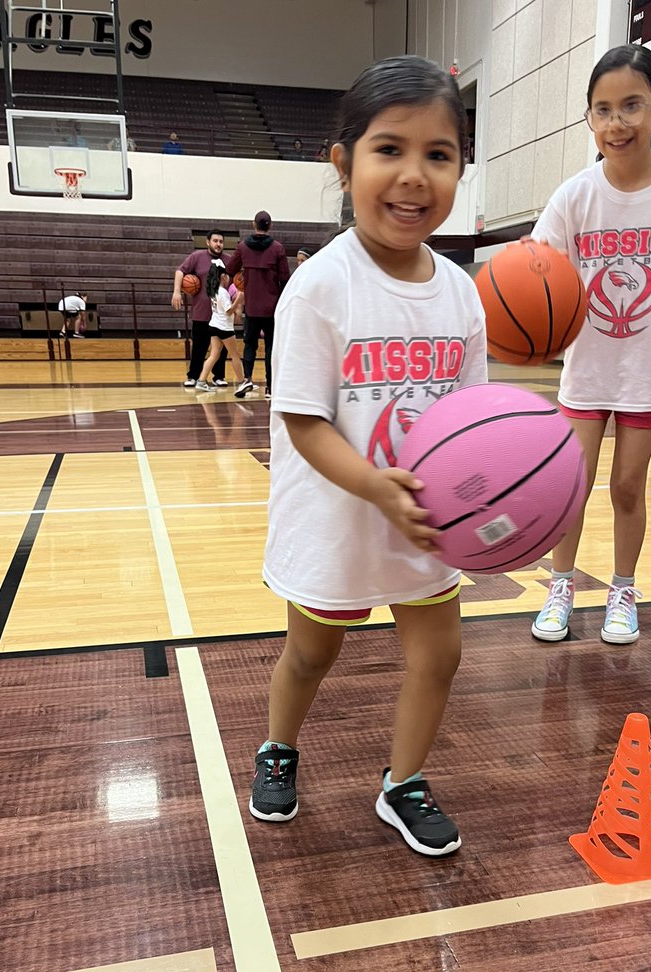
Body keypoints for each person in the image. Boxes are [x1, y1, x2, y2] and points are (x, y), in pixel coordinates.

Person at [248, 56, 487, 857]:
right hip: (338, 516)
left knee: (441, 654)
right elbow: (305, 424)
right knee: (312, 651)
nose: (414, 177)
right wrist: (376, 489)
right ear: (343, 161)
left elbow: (470, 419)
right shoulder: (320, 286)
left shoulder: (461, 291)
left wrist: (492, 495)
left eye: (439, 155)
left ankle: (403, 783)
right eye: (391, 149)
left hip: (422, 518)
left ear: (459, 167)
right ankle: (279, 746)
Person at [529, 43, 651, 646]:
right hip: (588, 363)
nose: (617, 124)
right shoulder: (574, 196)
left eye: (632, 106)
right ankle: (560, 586)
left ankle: (622, 589)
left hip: (649, 363)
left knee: (627, 486)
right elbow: (539, 271)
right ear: (589, 117)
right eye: (603, 110)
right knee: (571, 483)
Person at [227, 212, 290, 398]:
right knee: (271, 347)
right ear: (269, 226)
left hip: (252, 307)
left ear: (253, 224)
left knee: (249, 344)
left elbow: (230, 269)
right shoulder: (278, 248)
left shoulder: (243, 247)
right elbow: (285, 278)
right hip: (272, 308)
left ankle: (247, 379)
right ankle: (270, 387)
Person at [172, 229, 231, 387]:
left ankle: (218, 376)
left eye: (221, 241)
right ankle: (193, 376)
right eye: (215, 241)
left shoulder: (229, 260)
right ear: (208, 242)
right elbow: (180, 271)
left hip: (220, 314)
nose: (218, 244)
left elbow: (238, 282)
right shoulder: (197, 257)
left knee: (221, 349)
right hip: (201, 312)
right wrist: (177, 292)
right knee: (199, 347)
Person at [196, 267, 245, 391]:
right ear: (223, 277)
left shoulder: (215, 290)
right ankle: (241, 383)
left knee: (214, 355)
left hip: (214, 325)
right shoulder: (222, 292)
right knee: (235, 355)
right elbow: (228, 312)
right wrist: (238, 300)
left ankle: (201, 381)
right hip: (224, 328)